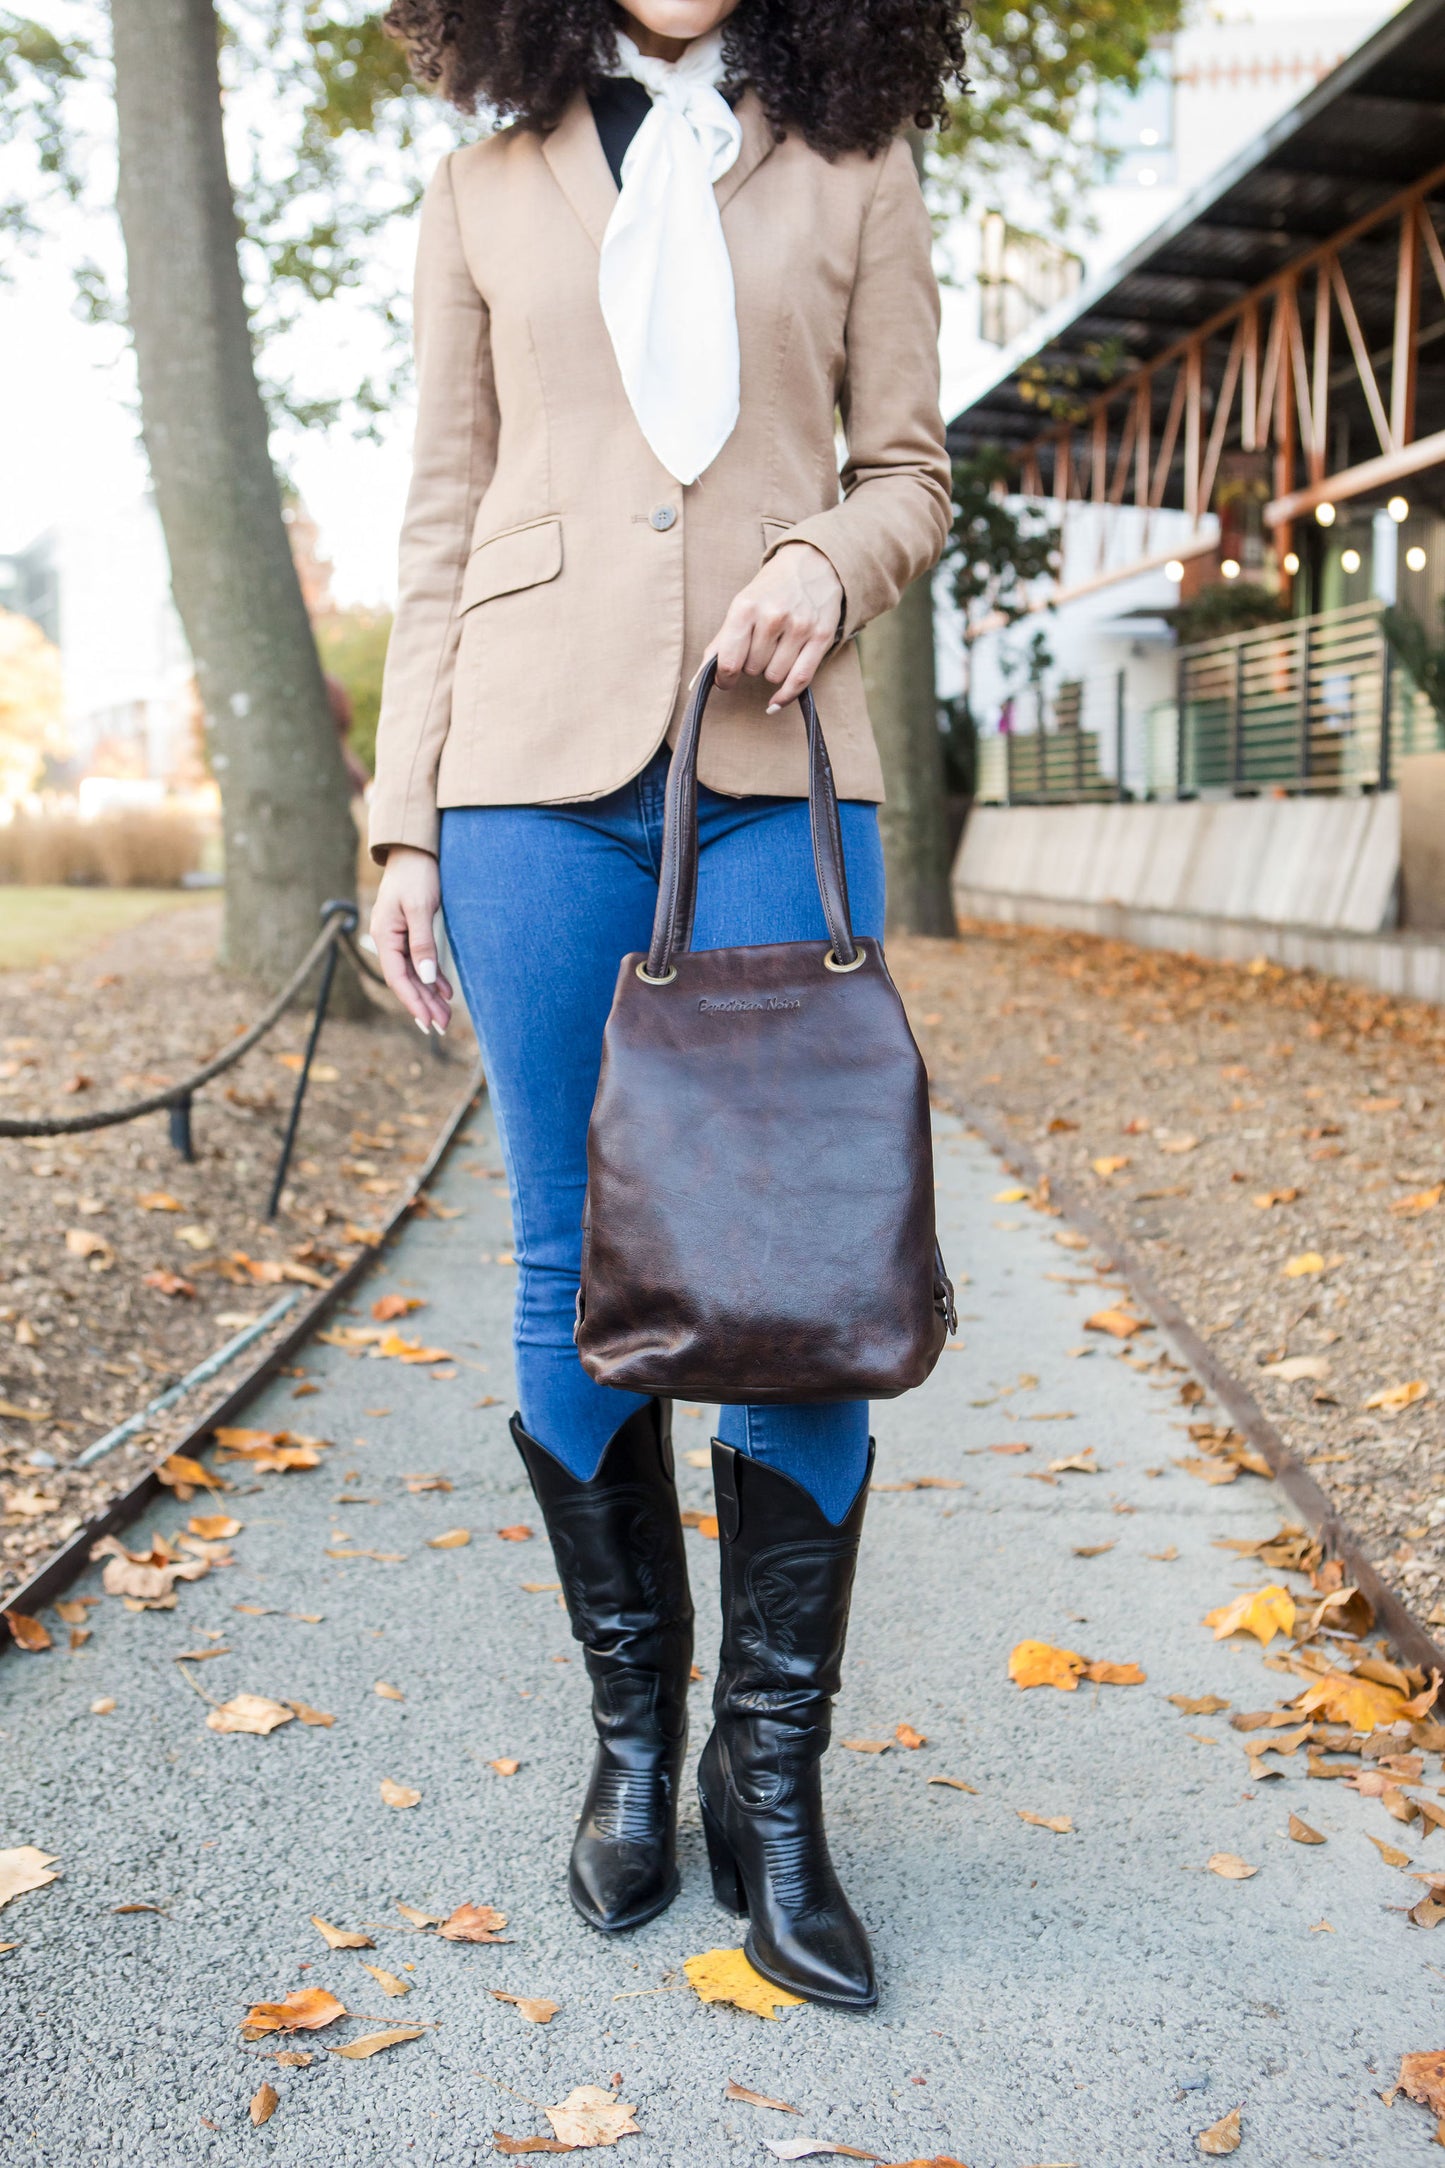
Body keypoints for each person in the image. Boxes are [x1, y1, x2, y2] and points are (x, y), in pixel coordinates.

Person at [368, 0, 963, 2011]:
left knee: (803, 1279)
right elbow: (440, 527)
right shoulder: (481, 183)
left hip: (781, 762)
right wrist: (398, 829)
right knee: (569, 1267)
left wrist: (827, 553)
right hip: (528, 780)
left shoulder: (858, 160)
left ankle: (769, 1793)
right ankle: (638, 1741)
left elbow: (911, 473)